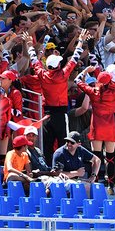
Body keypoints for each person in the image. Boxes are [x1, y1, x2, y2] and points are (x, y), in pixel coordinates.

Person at [25, 30, 86, 161]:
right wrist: (80, 40)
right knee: (64, 142)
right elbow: (75, 56)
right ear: (58, 65)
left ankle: (49, 167)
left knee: (47, 144)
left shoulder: (42, 73)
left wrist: (29, 44)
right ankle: (64, 166)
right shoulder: (63, 74)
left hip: (47, 115)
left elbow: (34, 59)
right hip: (60, 114)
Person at [76, 65, 115, 194]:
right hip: (110, 127)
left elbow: (77, 81)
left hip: (97, 126)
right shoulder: (114, 92)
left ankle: (95, 182)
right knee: (110, 157)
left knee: (96, 156)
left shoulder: (92, 91)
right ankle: (110, 186)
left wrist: (85, 71)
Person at [51, 131, 102, 195]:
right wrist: (76, 173)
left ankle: (90, 204)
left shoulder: (80, 150)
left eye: (72, 142)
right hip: (61, 182)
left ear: (78, 144)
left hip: (76, 180)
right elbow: (56, 173)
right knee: (83, 187)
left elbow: (97, 160)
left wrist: (93, 176)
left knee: (97, 188)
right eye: (67, 141)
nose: (69, 144)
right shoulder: (59, 153)